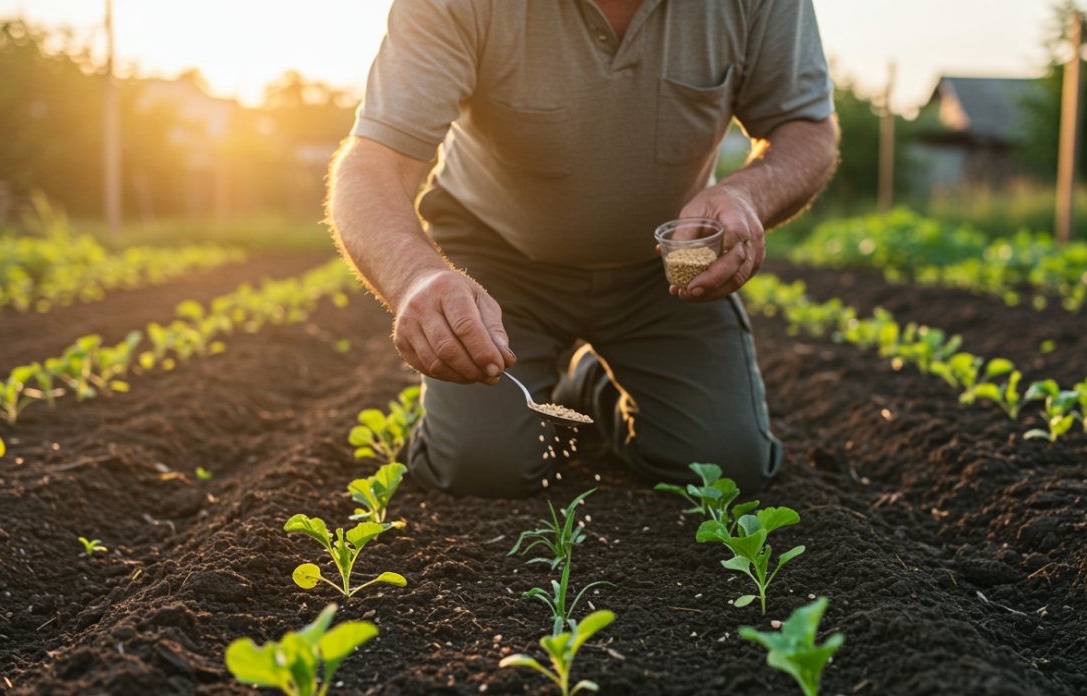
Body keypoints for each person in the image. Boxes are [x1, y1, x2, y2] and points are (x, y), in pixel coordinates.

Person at [328, 0, 840, 498]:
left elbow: (806, 126)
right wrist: (414, 276)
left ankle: (591, 380)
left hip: (665, 271)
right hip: (496, 265)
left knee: (724, 468)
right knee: (482, 466)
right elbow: (374, 161)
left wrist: (747, 194)